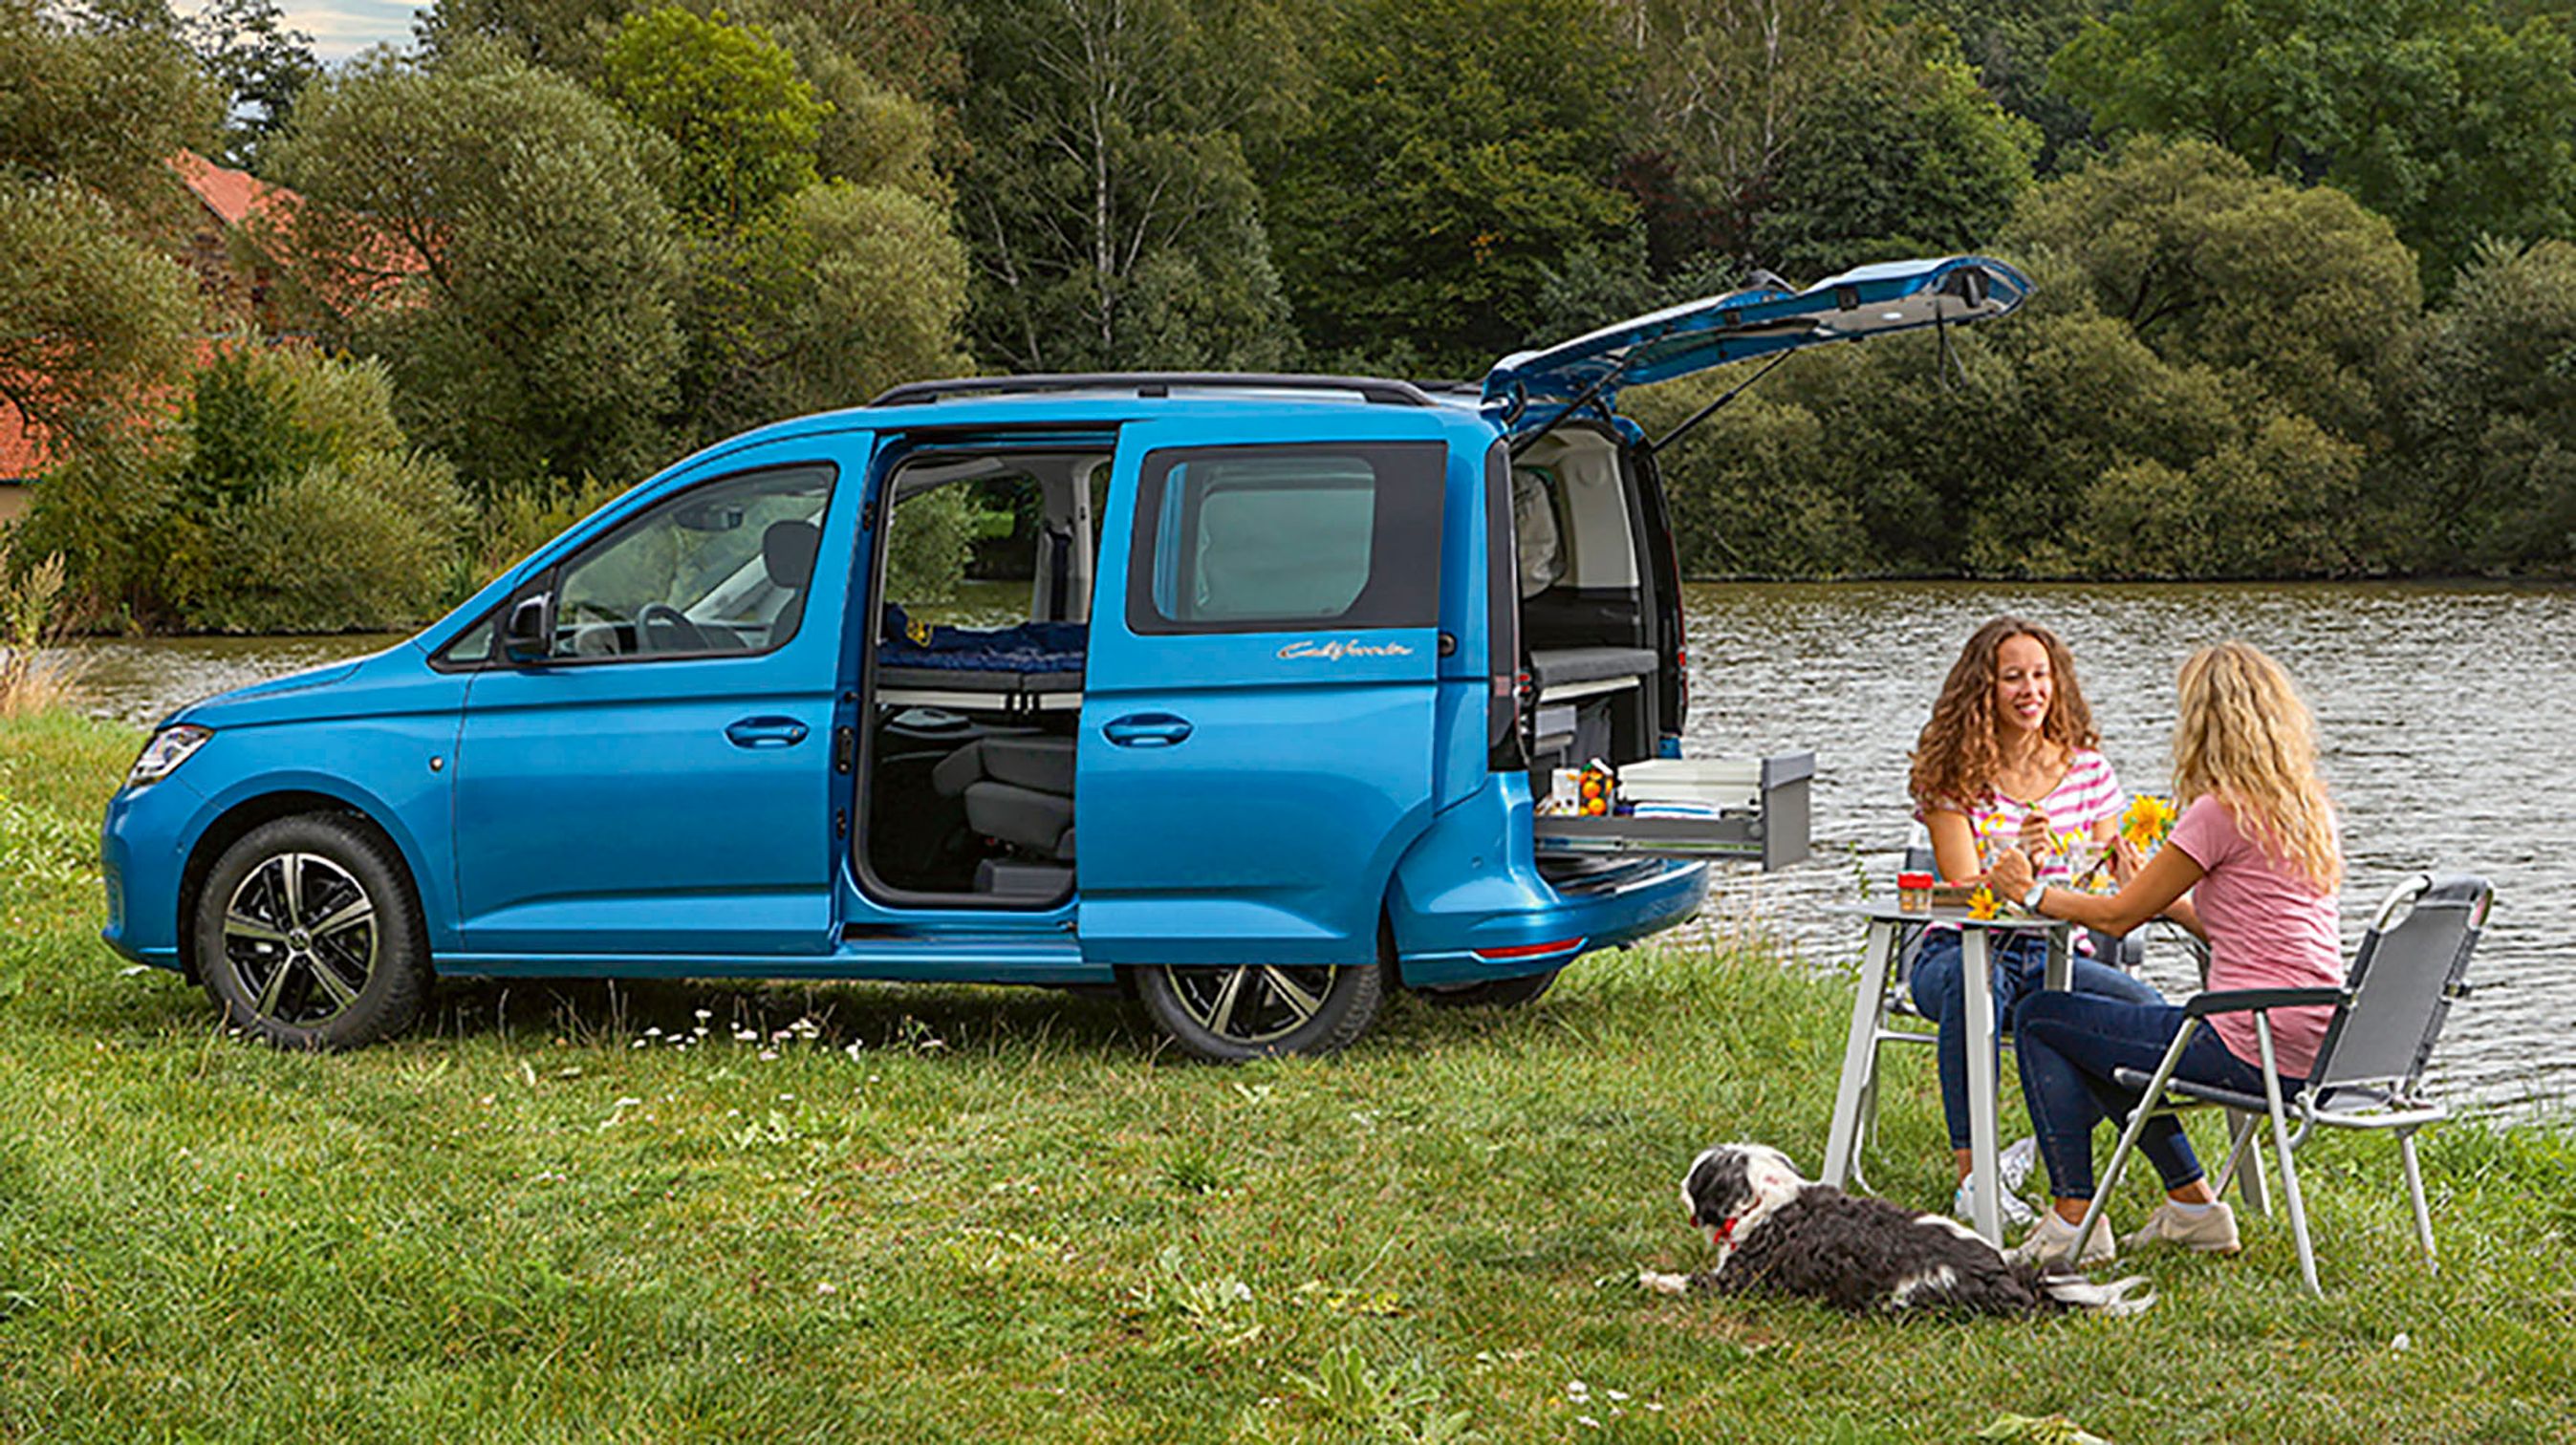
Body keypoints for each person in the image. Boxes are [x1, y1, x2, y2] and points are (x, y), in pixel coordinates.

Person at [1990, 640, 2344, 1267]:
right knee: (2099, 1033)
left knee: (2044, 1018)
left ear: (2204, 722)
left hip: (2248, 1041)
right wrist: (2151, 891)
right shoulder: (2305, 808)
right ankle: (2192, 1208)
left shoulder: (2218, 810)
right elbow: (2233, 925)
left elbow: (2119, 917)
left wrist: (2033, 892)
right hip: (2317, 1041)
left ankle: (2071, 1219)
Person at [1906, 616, 2165, 1227]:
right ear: (1983, 690)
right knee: (1979, 995)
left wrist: (2106, 869)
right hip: (1959, 951)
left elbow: (2102, 885)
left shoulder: (2088, 770)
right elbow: (1961, 889)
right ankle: (1975, 1179)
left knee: (2143, 1013)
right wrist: (2009, 866)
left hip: (2059, 954)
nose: (2031, 690)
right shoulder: (1952, 775)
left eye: (2041, 675)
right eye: (2012, 677)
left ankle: (2181, 1190)